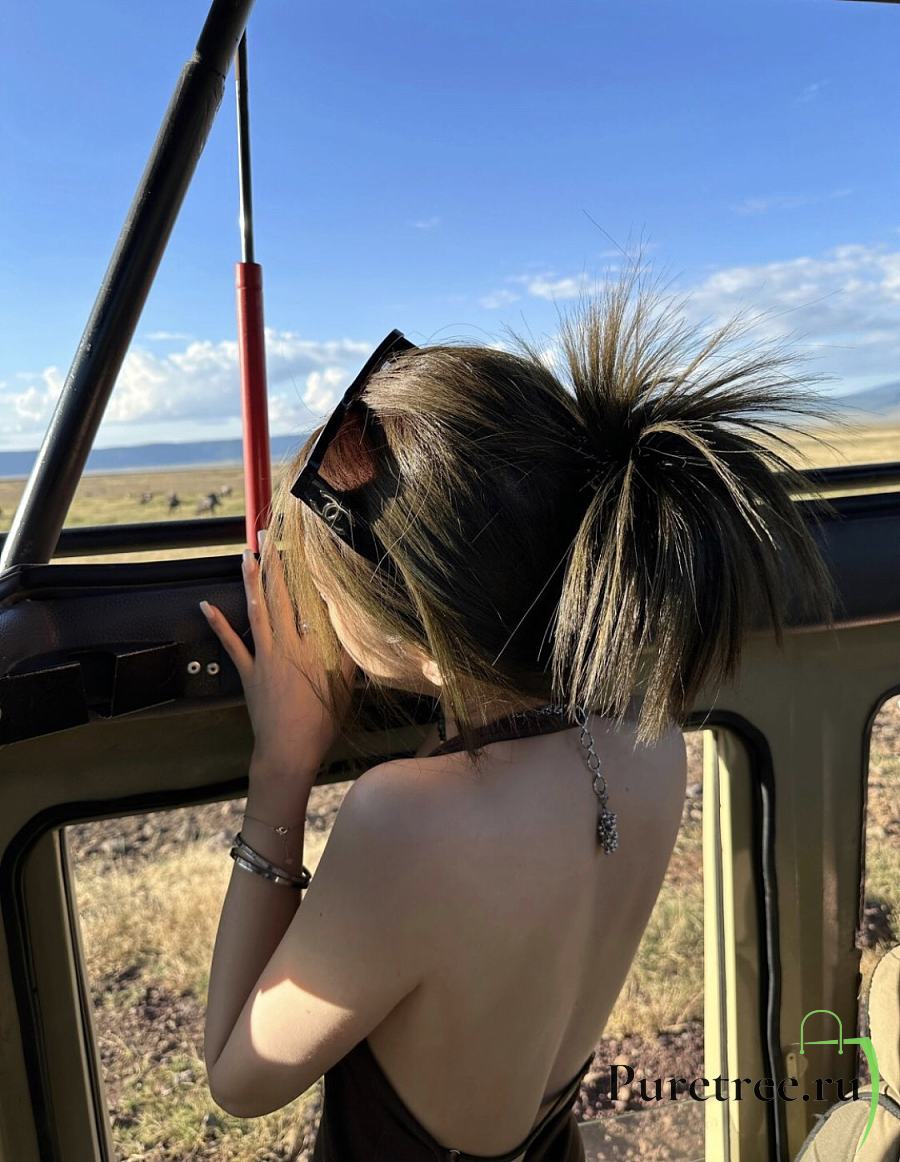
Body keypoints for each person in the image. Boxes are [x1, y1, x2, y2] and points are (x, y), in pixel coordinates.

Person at [198, 264, 835, 1160]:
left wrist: (281, 772)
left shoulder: (405, 821)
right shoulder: (648, 738)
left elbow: (239, 1081)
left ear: (412, 618)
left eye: (326, 589)